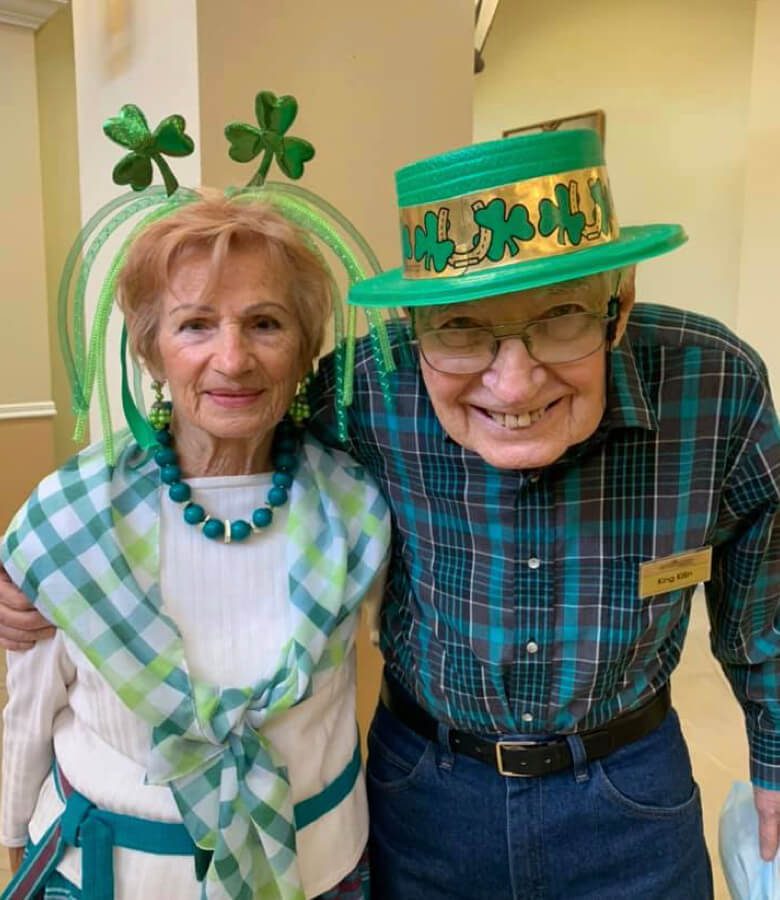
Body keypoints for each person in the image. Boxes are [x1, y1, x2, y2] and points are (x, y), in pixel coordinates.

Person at [3, 129, 779, 898]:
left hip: (631, 793)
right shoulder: (367, 389)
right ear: (413, 326)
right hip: (428, 794)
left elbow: (766, 600)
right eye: (462, 329)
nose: (513, 386)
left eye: (562, 316)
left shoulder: (713, 385)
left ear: (620, 304)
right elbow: (218, 423)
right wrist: (44, 552)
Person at [0, 194, 389, 899]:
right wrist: (8, 837)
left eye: (265, 323)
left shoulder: (355, 508)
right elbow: (27, 707)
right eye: (196, 325)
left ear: (304, 351)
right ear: (152, 350)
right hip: (111, 878)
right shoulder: (72, 517)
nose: (232, 358)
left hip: (322, 873)